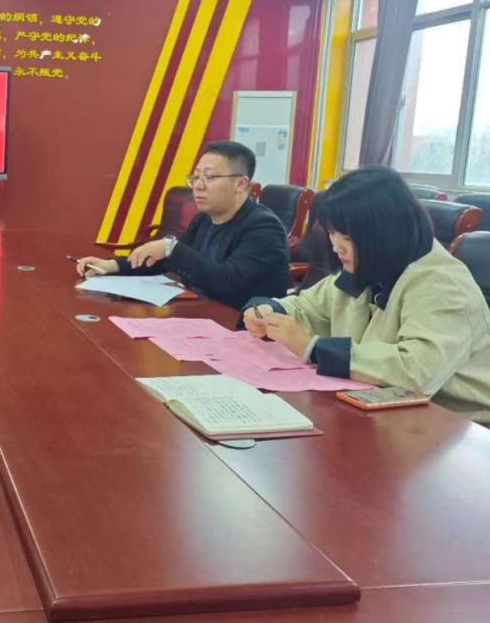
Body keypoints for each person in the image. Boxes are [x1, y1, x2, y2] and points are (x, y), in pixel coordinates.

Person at [243, 166, 490, 423]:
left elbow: (416, 371)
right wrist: (270, 311)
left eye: (347, 236)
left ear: (386, 232)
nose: (336, 247)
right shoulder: (373, 263)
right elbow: (309, 307)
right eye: (331, 233)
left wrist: (313, 349)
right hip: (382, 406)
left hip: (456, 423)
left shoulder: (442, 284)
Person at [77, 141, 288, 309]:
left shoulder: (264, 228)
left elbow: (228, 283)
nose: (198, 186)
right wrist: (110, 266)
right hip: (199, 313)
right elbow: (165, 261)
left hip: (240, 327)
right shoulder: (203, 219)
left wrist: (172, 248)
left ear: (240, 184)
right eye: (195, 177)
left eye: (210, 177)